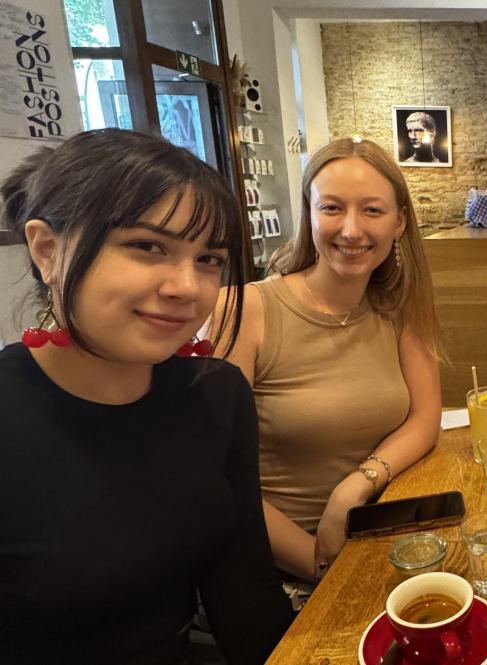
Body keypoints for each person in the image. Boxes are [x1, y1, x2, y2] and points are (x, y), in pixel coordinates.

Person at [0, 128, 292, 663]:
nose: (186, 286)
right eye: (147, 246)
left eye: (209, 259)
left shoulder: (216, 393)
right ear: (47, 250)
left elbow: (245, 596)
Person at [216, 137, 442, 590]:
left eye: (372, 210)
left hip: (379, 541)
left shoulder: (397, 307)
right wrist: (321, 566)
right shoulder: (243, 310)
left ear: (399, 222)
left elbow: (425, 418)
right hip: (282, 572)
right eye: (332, 208)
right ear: (309, 214)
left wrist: (356, 485)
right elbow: (218, 473)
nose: (352, 230)